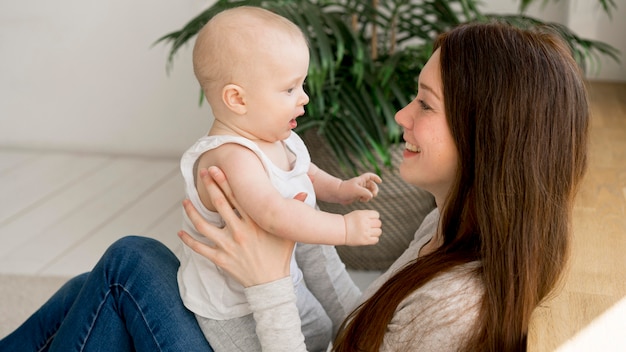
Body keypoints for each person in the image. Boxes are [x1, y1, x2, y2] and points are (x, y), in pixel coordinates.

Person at [0, 21, 589, 351]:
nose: (401, 117)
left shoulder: (454, 310)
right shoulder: (446, 227)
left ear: (485, 135)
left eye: (425, 105)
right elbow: (358, 321)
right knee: (100, 288)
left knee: (129, 265)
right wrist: (304, 228)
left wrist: (268, 284)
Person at [177, 6, 381, 352]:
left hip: (278, 277)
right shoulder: (231, 156)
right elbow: (273, 213)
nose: (304, 97)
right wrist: (344, 229)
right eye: (289, 89)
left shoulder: (278, 136)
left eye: (301, 84)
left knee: (317, 330)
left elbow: (306, 172)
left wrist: (341, 189)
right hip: (235, 308)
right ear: (237, 99)